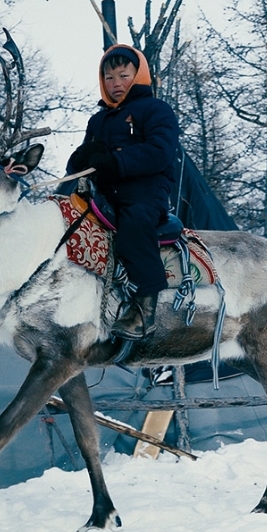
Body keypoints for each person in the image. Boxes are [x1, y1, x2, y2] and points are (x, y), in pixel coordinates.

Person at [67, 44, 180, 341]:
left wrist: (115, 161)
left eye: (123, 75)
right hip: (104, 195)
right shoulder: (98, 120)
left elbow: (160, 151)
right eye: (108, 77)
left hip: (145, 192)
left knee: (133, 224)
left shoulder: (156, 110)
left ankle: (145, 308)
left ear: (139, 75)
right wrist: (81, 160)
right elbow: (84, 159)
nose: (115, 83)